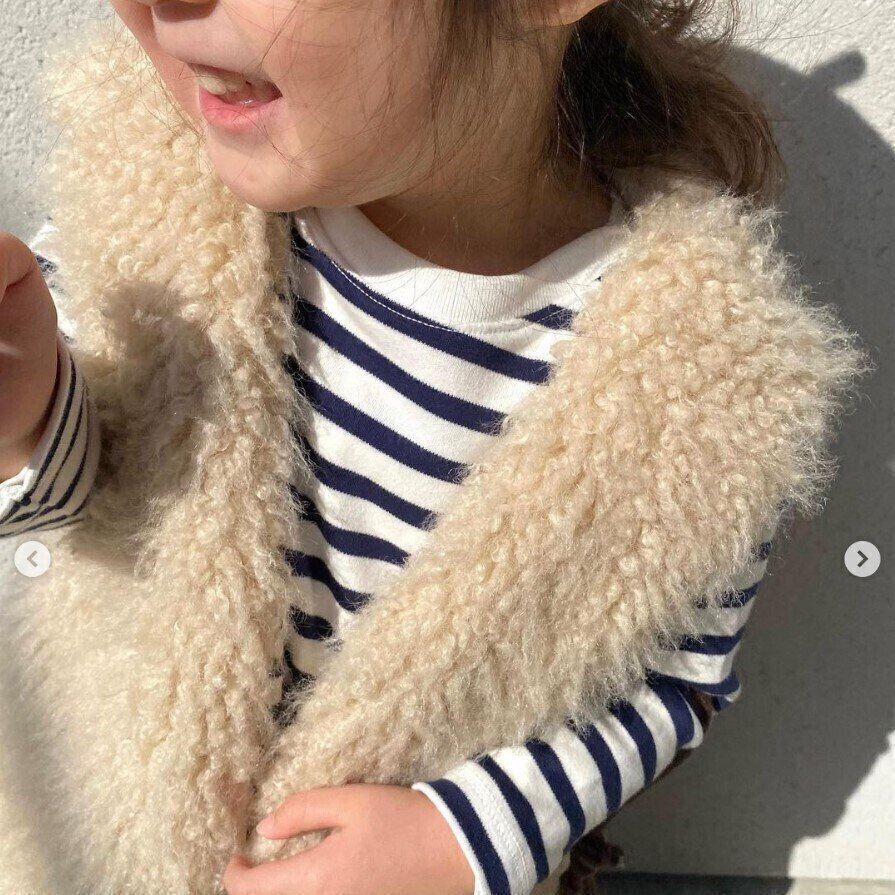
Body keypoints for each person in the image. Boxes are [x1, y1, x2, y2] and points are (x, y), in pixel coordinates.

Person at [0, 2, 868, 895]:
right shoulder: (150, 195)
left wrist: (465, 840)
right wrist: (25, 410)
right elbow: (93, 503)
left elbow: (673, 684)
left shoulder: (695, 385)